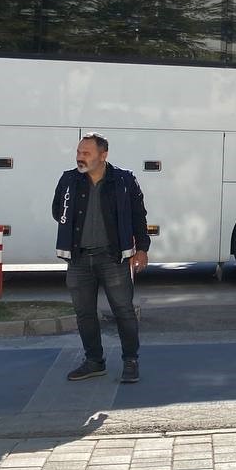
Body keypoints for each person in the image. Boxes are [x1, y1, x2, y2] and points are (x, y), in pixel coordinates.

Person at [52, 132, 149, 384]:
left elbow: (139, 216)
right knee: (84, 314)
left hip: (113, 259)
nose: (80, 157)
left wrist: (142, 249)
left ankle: (131, 360)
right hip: (79, 260)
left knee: (123, 312)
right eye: (78, 152)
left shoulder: (124, 180)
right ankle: (94, 361)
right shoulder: (69, 180)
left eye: (86, 153)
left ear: (103, 155)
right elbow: (57, 211)